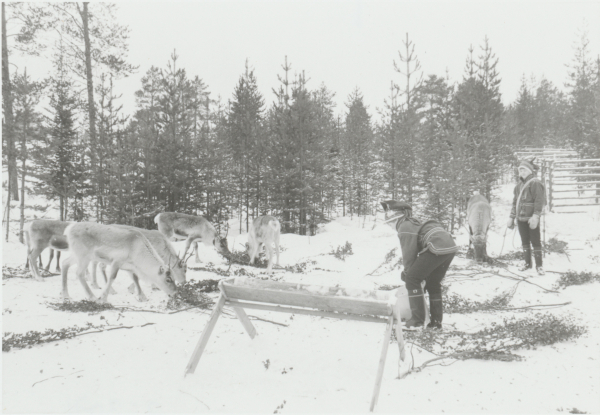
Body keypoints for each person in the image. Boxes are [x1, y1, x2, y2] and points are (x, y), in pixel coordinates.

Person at [381, 200, 459, 330]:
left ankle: (417, 321)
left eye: (390, 222)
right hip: (448, 246)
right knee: (433, 283)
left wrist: (407, 273)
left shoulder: (404, 227)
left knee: (412, 279)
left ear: (395, 217)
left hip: (436, 245)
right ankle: (436, 323)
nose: (390, 225)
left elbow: (409, 254)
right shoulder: (412, 223)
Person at [507, 158, 547, 275]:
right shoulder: (518, 186)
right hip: (520, 218)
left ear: (530, 171)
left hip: (532, 219)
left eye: (524, 170)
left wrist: (536, 216)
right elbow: (515, 202)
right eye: (520, 170)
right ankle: (527, 263)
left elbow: (539, 201)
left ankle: (539, 266)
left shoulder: (536, 183)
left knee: (535, 241)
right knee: (524, 241)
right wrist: (511, 217)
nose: (522, 173)